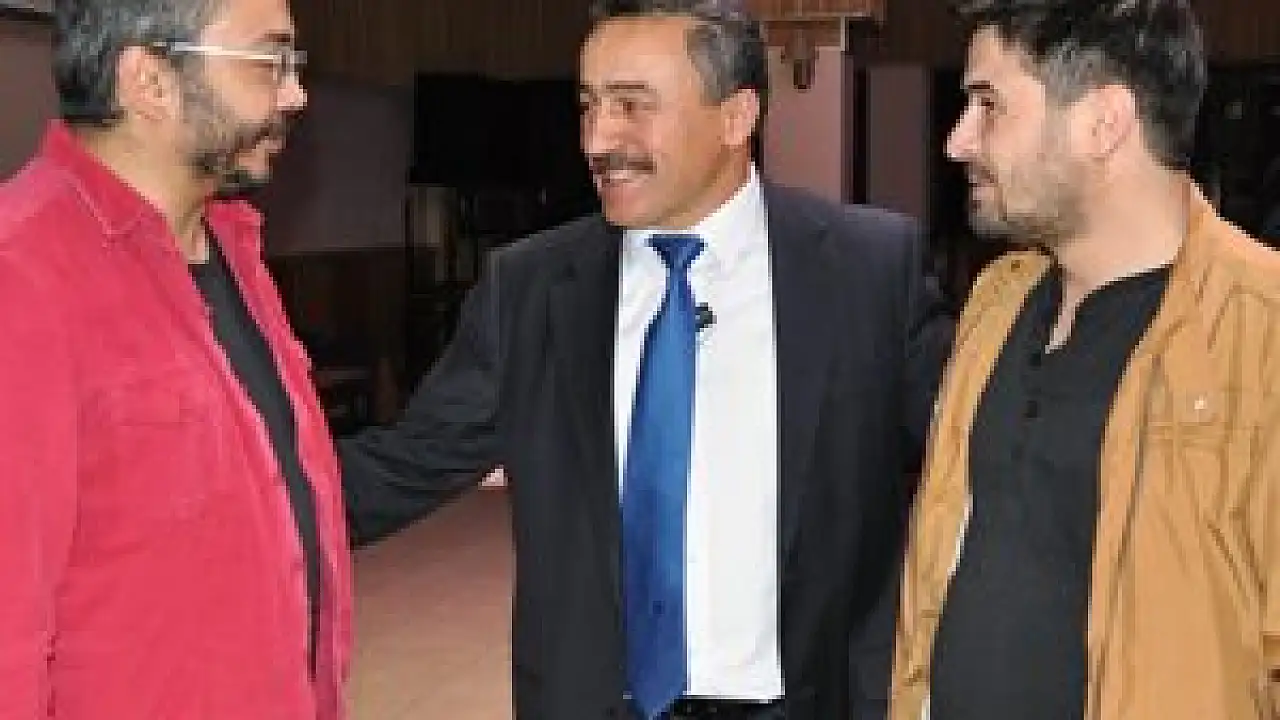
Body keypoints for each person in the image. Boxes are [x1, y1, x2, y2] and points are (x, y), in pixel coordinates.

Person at [341, 1, 952, 718]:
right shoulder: (531, 288)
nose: (598, 139)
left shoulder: (867, 271)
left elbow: (975, 460)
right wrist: (241, 505)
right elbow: (408, 462)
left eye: (632, 106)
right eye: (588, 105)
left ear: (736, 117)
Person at [890, 1, 1280, 718]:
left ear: (1103, 122)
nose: (958, 141)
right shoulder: (998, 302)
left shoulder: (1261, 330)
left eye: (989, 105)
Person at [0, 0, 351, 717]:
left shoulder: (234, 250)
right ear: (150, 81)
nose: (294, 94)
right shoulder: (22, 274)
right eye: (270, 60)